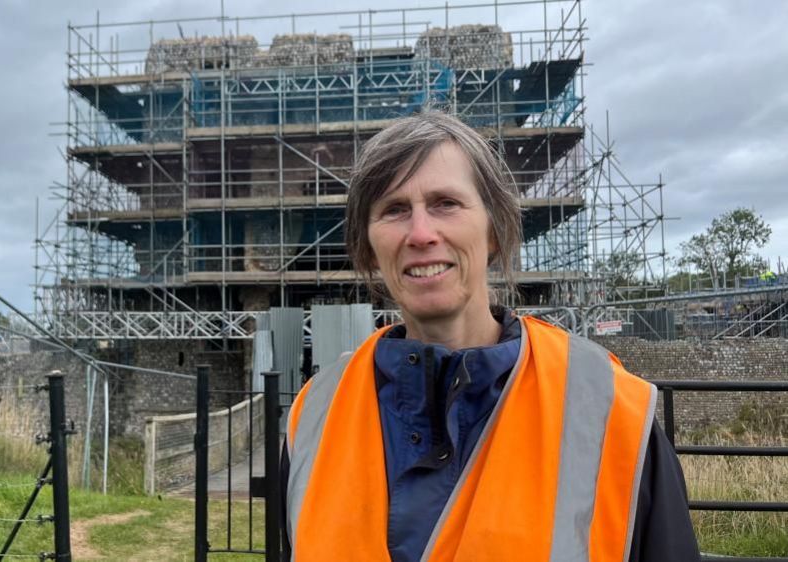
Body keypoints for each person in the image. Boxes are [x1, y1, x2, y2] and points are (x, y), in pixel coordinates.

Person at [281, 111, 700, 561]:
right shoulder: (314, 417)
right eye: (394, 210)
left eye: (446, 203)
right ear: (368, 244)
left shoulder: (608, 410)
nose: (421, 233)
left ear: (494, 230)